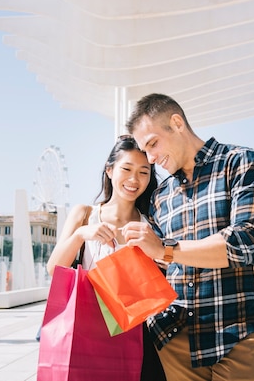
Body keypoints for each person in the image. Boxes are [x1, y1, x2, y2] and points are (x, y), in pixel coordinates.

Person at [122, 93, 254, 381]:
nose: (151, 158)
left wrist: (166, 249)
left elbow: (247, 241)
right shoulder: (160, 197)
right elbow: (156, 267)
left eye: (153, 143)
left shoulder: (240, 162)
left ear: (177, 123)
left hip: (238, 334)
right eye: (145, 150)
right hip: (175, 344)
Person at [45, 135, 165, 381]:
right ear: (110, 170)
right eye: (126, 169)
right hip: (86, 327)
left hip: (135, 331)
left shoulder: (151, 224)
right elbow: (53, 269)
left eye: (144, 172)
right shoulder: (85, 214)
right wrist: (81, 234)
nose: (134, 180)